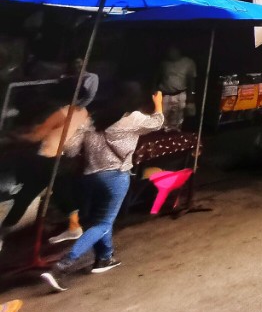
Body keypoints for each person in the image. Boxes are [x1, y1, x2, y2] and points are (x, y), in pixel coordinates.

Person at [41, 86, 164, 291]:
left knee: (100, 220)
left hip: (89, 178)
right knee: (103, 222)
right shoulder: (131, 118)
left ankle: (104, 258)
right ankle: (62, 266)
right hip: (114, 177)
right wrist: (159, 105)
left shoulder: (92, 120)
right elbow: (158, 123)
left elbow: (71, 150)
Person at [0, 82, 88, 252]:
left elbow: (36, 137)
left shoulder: (61, 112)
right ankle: (74, 227)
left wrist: (13, 136)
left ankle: (1, 235)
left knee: (25, 196)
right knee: (62, 194)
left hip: (45, 159)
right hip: (60, 160)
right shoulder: (83, 112)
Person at [156, 46, 198, 132]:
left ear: (179, 51)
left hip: (180, 94)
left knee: (178, 118)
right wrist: (153, 89)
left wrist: (192, 94)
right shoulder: (164, 63)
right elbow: (157, 77)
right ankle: (162, 137)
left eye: (173, 50)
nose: (171, 53)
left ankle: (175, 137)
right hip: (165, 94)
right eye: (169, 51)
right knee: (162, 117)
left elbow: (191, 79)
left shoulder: (188, 62)